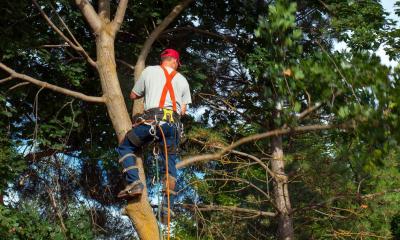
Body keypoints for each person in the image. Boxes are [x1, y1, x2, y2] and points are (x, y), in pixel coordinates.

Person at [116, 48, 191, 222]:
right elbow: (184, 111)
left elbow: (133, 95)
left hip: (151, 123)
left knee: (126, 146)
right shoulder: (183, 80)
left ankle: (134, 183)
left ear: (163, 59)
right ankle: (167, 208)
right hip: (172, 127)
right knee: (169, 163)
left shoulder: (149, 71)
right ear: (174, 61)